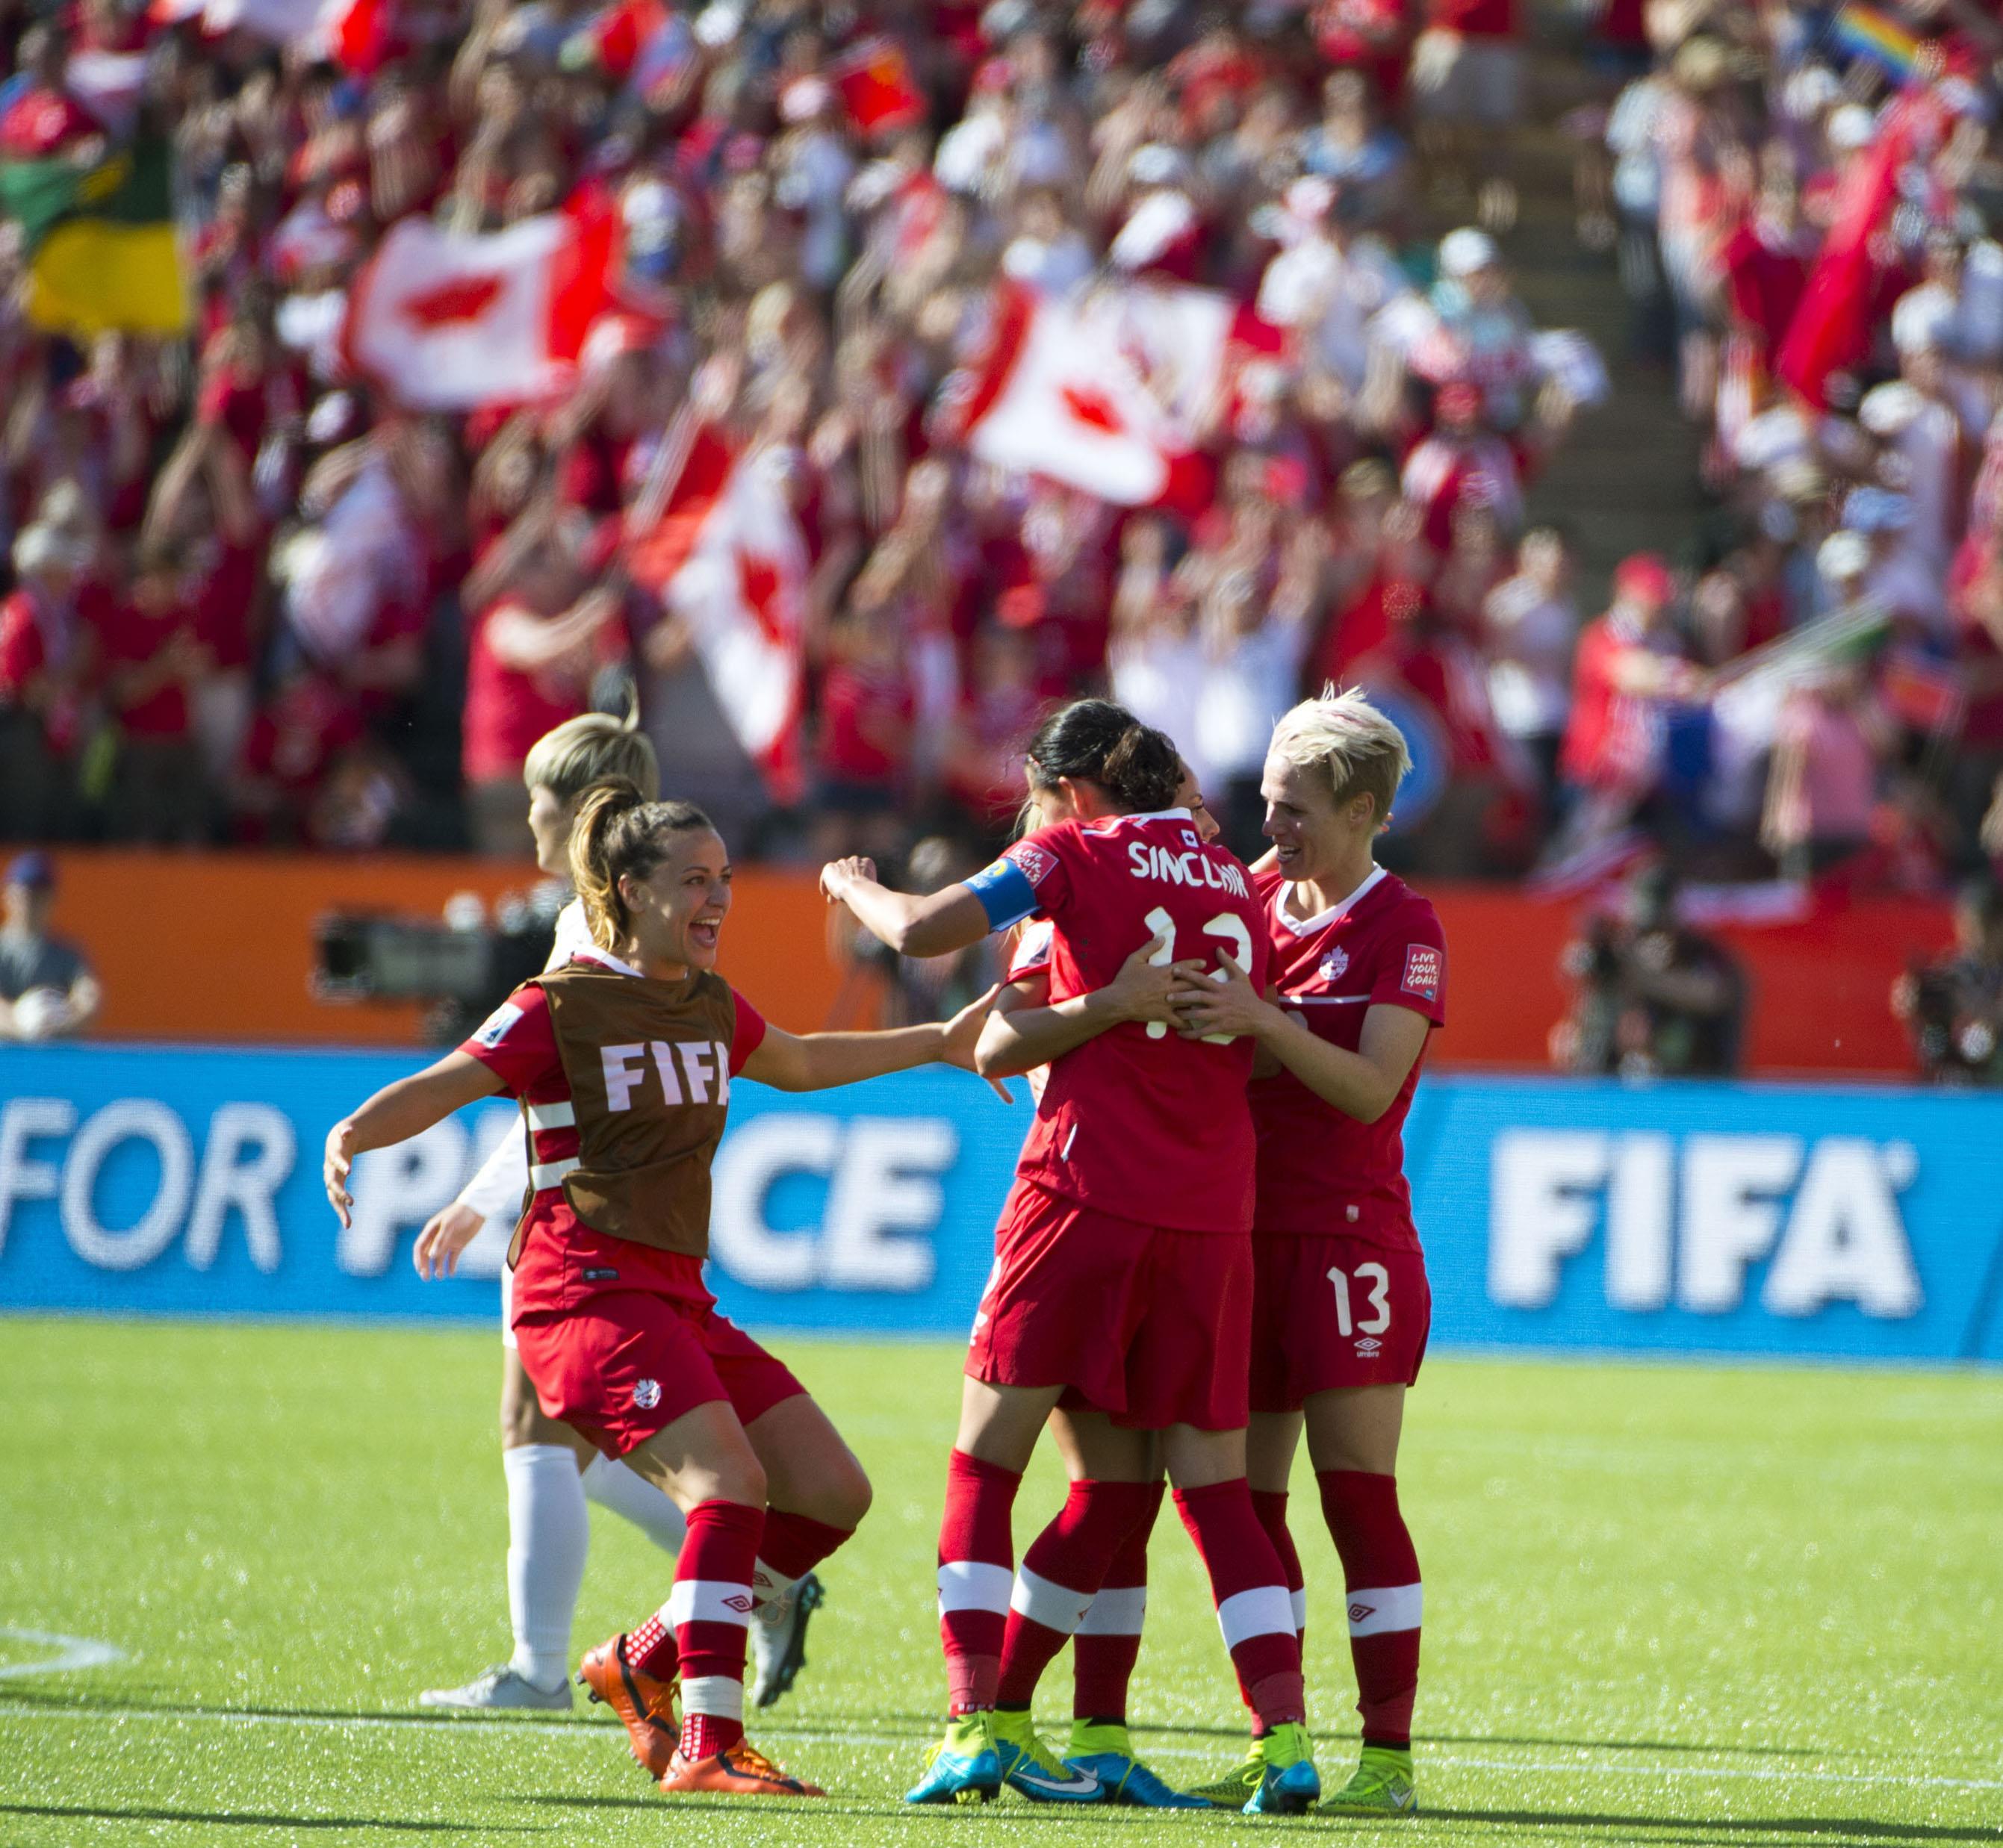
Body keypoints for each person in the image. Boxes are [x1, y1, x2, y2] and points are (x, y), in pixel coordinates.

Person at [325, 779, 999, 1799]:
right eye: (694, 880)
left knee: (829, 1493)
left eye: (723, 879)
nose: (716, 898)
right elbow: (448, 1079)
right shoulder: (562, 1002)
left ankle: (638, 1660)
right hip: (580, 1292)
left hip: (674, 1294)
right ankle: (706, 1741)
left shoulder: (706, 1000)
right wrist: (350, 1133)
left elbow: (805, 1059)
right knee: (729, 1488)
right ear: (630, 890)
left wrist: (941, 1043)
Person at [821, 700, 1320, 1816]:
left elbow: (926, 946)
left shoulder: (1067, 859)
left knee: (984, 1462)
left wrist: (848, 880)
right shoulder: (1232, 883)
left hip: (1081, 1190)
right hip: (1207, 1212)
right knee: (1188, 1486)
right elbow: (1259, 1038)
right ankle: (1280, 1735)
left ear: (1075, 789)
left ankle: (974, 1720)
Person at [410, 708, 820, 1716]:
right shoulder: (622, 904)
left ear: (579, 802)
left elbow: (581, 1087)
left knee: (545, 1430)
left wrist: (482, 1197)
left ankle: (548, 1664)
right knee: (581, 1444)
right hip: (608, 1218)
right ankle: (740, 1576)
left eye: (540, 799)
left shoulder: (600, 917)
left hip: (583, 1226)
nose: (528, 816)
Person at [1166, 688, 1444, 1817]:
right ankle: (1276, 1735)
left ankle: (1387, 1757)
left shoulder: (1402, 927)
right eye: (1266, 804)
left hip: (1345, 1242)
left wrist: (1266, 1021)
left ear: (1365, 810)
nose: (1271, 831)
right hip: (1238, 1233)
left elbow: (1372, 1085)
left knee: (1357, 1498)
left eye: (1296, 812)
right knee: (1246, 1501)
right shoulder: (1249, 904)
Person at [1554, 864, 1745, 1077]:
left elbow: (1715, 995)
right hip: (1614, 1078)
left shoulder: (1700, 954)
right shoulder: (1619, 950)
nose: (1648, 937)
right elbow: (1579, 974)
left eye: (1657, 927)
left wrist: (1650, 978)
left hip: (1687, 1080)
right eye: (1640, 926)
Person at [0, 852, 101, 1041]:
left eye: (40, 896)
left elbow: (89, 997)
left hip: (53, 1061)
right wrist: (19, 1024)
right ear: (8, 894)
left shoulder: (66, 953)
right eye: (26, 895)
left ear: (52, 899)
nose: (32, 903)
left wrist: (62, 1023)